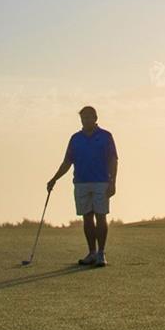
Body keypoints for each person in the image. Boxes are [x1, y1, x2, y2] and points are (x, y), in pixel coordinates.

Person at [45, 106, 118, 267]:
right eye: (83, 118)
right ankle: (92, 252)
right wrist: (54, 179)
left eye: (89, 117)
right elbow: (67, 162)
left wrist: (113, 182)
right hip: (81, 182)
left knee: (101, 216)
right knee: (87, 218)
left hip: (101, 182)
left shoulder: (106, 136)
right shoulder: (75, 138)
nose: (86, 120)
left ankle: (101, 253)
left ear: (95, 118)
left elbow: (113, 160)